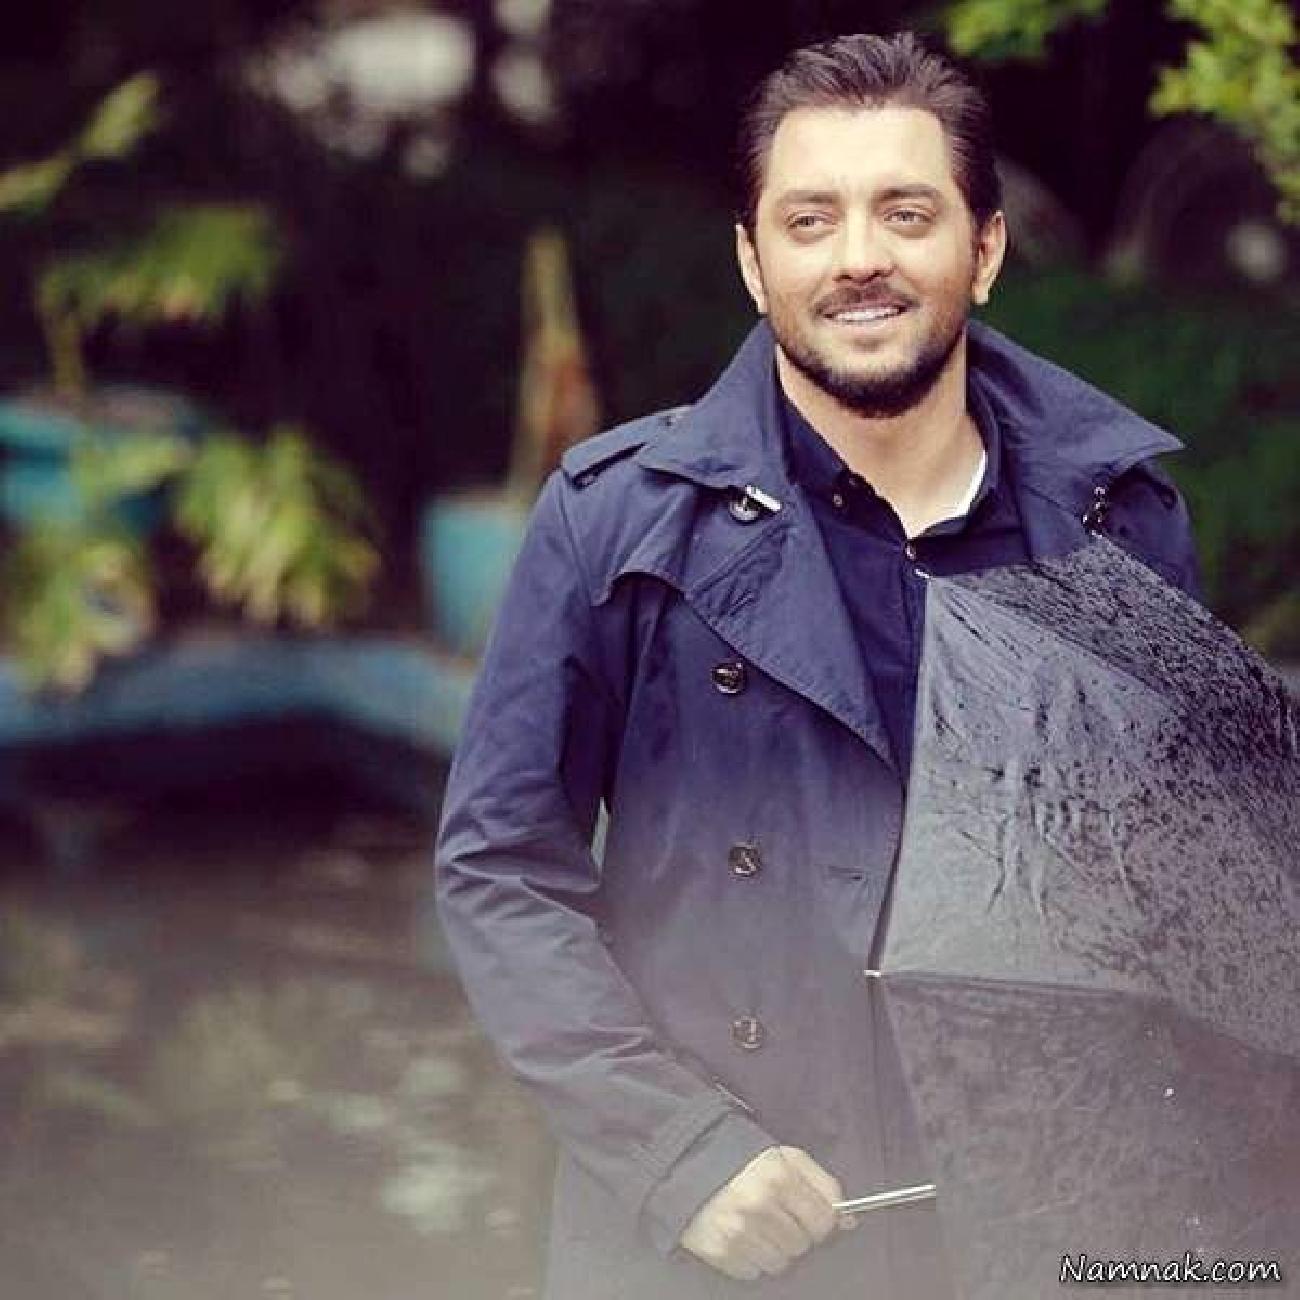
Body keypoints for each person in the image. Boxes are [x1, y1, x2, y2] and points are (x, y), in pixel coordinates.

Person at [435, 30, 1201, 1300]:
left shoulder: (1117, 521)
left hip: (1027, 1231)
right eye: (809, 219)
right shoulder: (614, 520)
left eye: (906, 212)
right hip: (712, 1235)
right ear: (753, 261)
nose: (858, 257)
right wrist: (677, 1153)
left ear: (984, 249)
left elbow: (1170, 882)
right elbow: (502, 870)